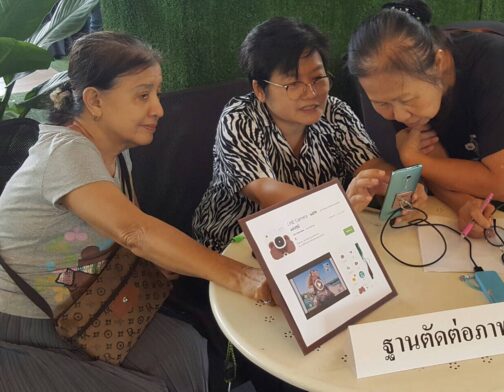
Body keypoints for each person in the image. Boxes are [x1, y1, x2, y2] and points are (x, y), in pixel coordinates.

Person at [0, 32, 271, 391]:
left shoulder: (115, 150)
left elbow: (129, 225)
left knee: (185, 349)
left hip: (90, 301)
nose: (158, 108)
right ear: (94, 100)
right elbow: (136, 232)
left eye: (156, 93)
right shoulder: (65, 153)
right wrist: (242, 277)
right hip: (28, 323)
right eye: (143, 95)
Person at [192, 17, 427, 252]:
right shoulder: (239, 119)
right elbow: (265, 191)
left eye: (317, 79)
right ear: (259, 90)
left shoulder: (335, 111)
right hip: (235, 246)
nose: (312, 93)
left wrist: (400, 186)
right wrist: (338, 205)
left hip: (317, 238)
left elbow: (369, 164)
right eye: (293, 84)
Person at [347, 0, 504, 234]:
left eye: (406, 100)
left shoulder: (495, 65)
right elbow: (437, 164)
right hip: (471, 155)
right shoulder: (379, 79)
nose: (399, 115)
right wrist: (463, 204)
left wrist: (414, 158)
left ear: (438, 63)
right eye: (382, 103)